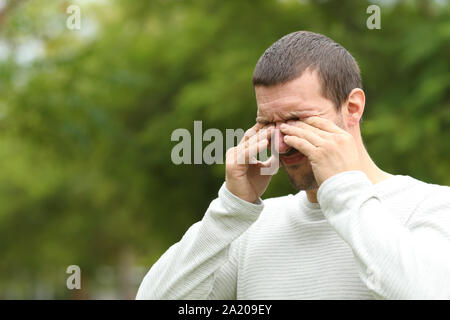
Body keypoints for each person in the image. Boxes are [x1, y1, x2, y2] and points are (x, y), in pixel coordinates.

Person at [136, 31, 450, 299]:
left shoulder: (431, 206)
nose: (281, 144)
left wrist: (343, 188)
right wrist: (231, 209)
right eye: (267, 124)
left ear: (352, 108)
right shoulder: (252, 227)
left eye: (296, 120)